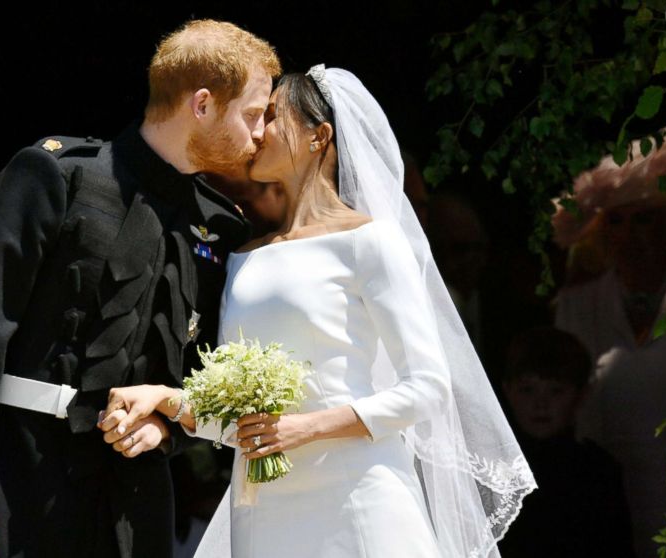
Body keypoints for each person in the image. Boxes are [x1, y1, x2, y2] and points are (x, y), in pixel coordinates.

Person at [99, 66, 535, 558]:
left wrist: (304, 427)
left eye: (271, 117)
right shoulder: (243, 257)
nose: (257, 132)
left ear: (318, 136)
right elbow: (240, 422)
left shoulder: (370, 241)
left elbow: (427, 388)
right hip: (262, 511)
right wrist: (166, 399)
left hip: (358, 497)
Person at [0, 19, 281, 558]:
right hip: (18, 480)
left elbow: (204, 371)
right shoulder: (55, 175)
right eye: (252, 115)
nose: (260, 134)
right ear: (201, 105)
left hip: (134, 508)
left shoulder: (222, 227)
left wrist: (168, 430)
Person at [551, 129, 666, 557]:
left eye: (644, 219)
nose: (630, 234)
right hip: (605, 499)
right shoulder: (578, 304)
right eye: (616, 221)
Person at [498, 326, 635, 558]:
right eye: (527, 390)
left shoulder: (598, 471)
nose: (540, 404)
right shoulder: (491, 469)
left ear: (582, 394)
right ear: (507, 390)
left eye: (555, 391)